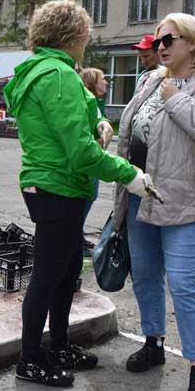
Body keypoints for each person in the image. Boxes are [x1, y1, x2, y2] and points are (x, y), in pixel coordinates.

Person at [3, 0, 154, 388]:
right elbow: (81, 152)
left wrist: (100, 122)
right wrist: (130, 174)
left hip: (54, 185)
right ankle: (31, 358)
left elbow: (76, 124)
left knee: (67, 270)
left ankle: (58, 347)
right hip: (58, 186)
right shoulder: (57, 75)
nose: (88, 39)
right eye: (86, 32)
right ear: (76, 34)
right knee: (47, 276)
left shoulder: (47, 71)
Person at [113, 13, 195, 391]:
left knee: (183, 283)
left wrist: (177, 98)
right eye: (157, 41)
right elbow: (133, 128)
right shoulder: (152, 79)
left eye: (168, 39)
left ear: (192, 41)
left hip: (188, 201)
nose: (160, 47)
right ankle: (154, 343)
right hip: (140, 195)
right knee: (146, 274)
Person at [79, 67, 113, 257]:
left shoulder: (97, 103)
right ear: (92, 82)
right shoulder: (86, 102)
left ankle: (78, 235)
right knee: (85, 199)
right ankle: (76, 239)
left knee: (90, 197)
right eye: (102, 78)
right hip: (89, 163)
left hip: (94, 163)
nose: (106, 82)